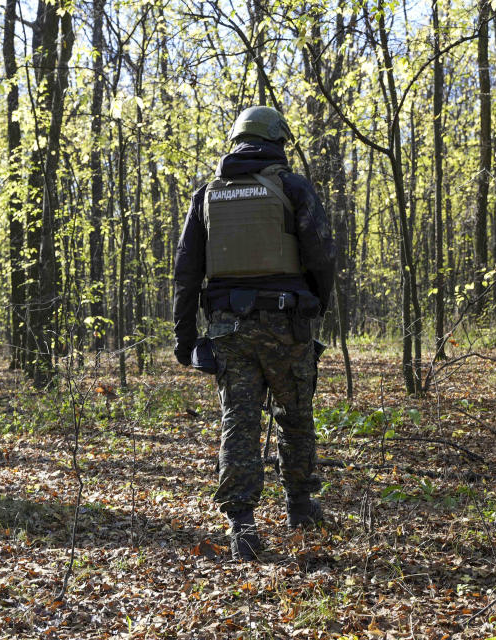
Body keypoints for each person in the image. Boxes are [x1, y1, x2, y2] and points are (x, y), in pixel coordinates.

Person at [172, 107, 337, 561]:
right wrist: (319, 304)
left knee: (238, 422)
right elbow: (321, 255)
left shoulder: (207, 195)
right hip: (287, 325)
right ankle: (301, 510)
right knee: (295, 415)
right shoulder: (293, 188)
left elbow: (186, 272)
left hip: (228, 330)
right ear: (277, 141)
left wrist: (184, 339)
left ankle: (242, 527)